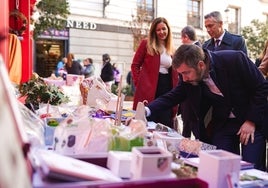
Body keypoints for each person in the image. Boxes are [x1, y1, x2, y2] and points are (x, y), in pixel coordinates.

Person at [146, 44, 268, 170]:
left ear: (200, 65)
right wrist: (147, 110)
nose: (184, 78)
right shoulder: (188, 77)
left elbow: (261, 87)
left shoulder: (235, 59)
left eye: (186, 73)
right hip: (224, 123)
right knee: (220, 166)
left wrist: (251, 121)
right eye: (181, 74)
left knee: (252, 168)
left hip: (252, 118)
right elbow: (173, 96)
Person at [131, 17, 179, 128]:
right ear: (154, 31)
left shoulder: (171, 49)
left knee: (165, 123)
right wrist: (139, 84)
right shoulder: (146, 44)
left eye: (164, 29)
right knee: (148, 121)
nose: (161, 32)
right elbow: (135, 65)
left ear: (168, 29)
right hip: (150, 89)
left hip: (167, 87)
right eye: (158, 30)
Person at [179, 25, 202, 137]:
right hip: (186, 98)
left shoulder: (197, 51)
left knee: (192, 128)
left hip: (192, 99)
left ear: (186, 37)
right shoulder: (199, 47)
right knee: (187, 127)